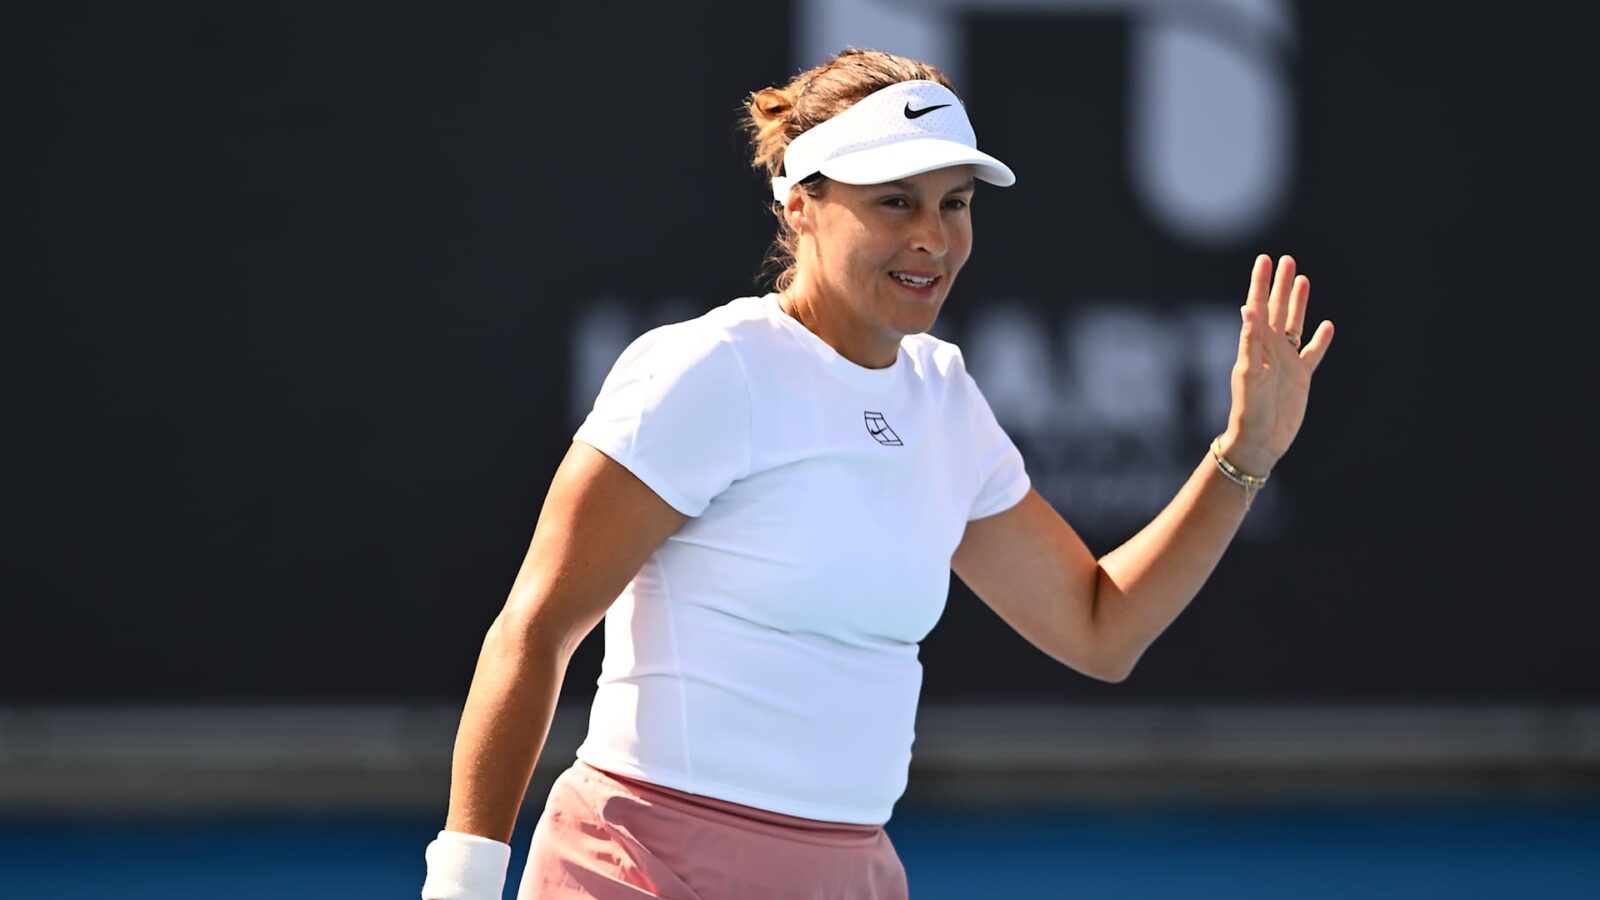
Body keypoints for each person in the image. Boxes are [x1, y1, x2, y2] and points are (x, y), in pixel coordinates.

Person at [419, 48, 1333, 900]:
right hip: (641, 865)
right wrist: (461, 883)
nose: (933, 237)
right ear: (799, 206)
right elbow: (535, 629)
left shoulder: (943, 399)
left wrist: (1242, 456)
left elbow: (1101, 629)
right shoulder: (708, 369)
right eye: (895, 201)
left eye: (955, 204)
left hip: (850, 872)